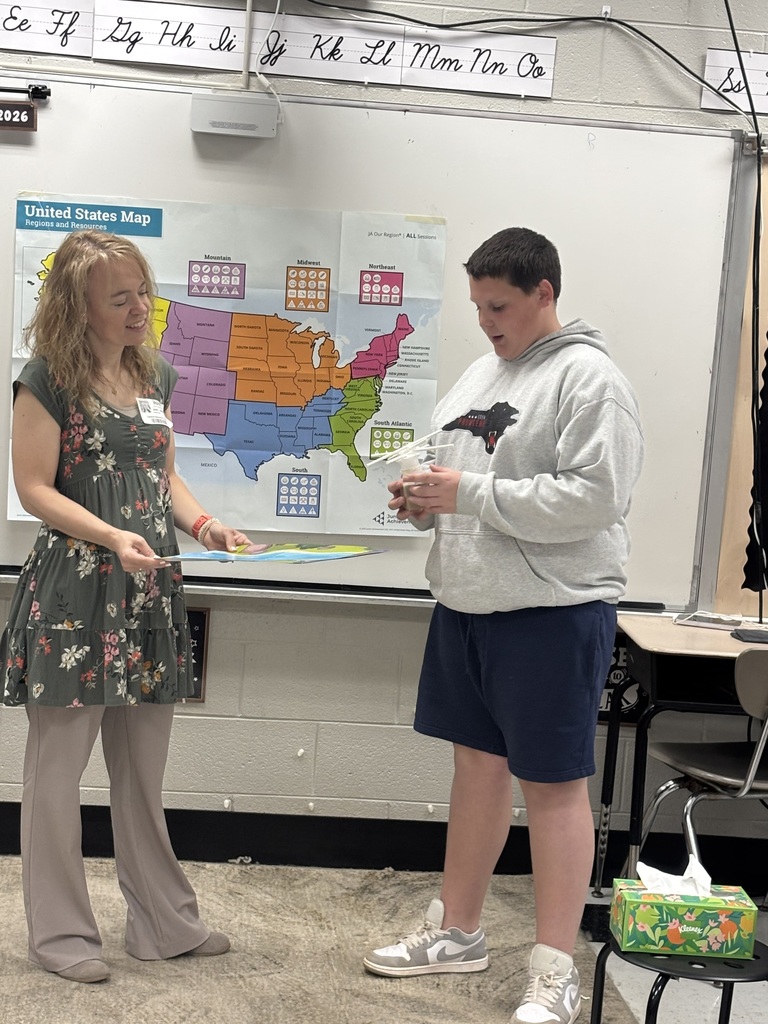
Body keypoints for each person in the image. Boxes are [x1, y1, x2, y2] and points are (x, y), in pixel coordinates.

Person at [363, 227, 644, 1024]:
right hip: (466, 607)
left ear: (543, 293)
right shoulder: (480, 373)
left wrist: (468, 494)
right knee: (476, 772)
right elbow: (458, 482)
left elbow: (596, 500)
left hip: (551, 613)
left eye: (499, 307)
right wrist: (423, 501)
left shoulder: (589, 379)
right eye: (478, 306)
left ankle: (556, 971)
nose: (485, 322)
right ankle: (458, 932)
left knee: (553, 788)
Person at [0, 229, 264, 984]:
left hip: (148, 593)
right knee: (57, 775)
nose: (139, 307)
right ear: (76, 307)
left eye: (142, 291)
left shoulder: (156, 376)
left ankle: (163, 924)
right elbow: (33, 488)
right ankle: (60, 937)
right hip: (76, 597)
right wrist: (112, 535)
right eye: (119, 298)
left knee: (143, 773)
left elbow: (161, 477)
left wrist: (207, 525)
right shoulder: (46, 380)